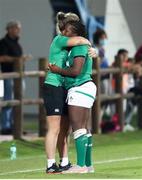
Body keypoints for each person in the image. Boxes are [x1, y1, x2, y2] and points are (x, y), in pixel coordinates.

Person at [43, 12, 93, 174]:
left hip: (65, 86)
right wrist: (90, 44)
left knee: (66, 129)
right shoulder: (60, 39)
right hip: (54, 86)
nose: (65, 31)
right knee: (54, 128)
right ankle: (51, 164)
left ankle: (64, 161)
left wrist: (94, 51)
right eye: (66, 28)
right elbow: (80, 40)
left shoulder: (72, 47)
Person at [0, 21, 23, 135]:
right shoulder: (4, 42)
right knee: (9, 100)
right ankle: (5, 126)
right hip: (9, 75)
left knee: (19, 101)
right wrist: (17, 59)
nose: (19, 30)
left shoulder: (16, 43)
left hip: (19, 76)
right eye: (16, 28)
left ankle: (16, 126)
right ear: (9, 29)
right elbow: (2, 58)